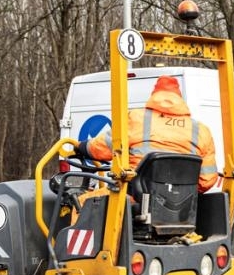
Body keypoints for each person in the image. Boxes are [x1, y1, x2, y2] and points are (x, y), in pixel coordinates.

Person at [79, 75, 220, 192]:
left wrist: (82, 147)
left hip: (134, 198)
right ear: (179, 98)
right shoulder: (201, 130)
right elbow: (207, 179)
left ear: (154, 95)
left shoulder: (136, 118)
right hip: (182, 207)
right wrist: (181, 192)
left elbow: (102, 148)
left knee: (84, 203)